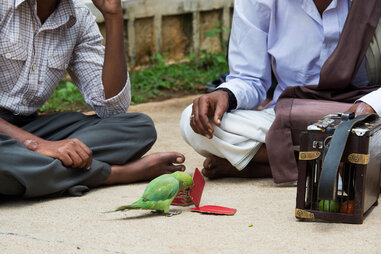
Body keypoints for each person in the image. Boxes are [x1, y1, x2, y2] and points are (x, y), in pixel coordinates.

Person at [0, 0, 185, 198]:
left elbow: (111, 109)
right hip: (13, 139)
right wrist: (36, 145)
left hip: (29, 128)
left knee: (138, 127)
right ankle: (112, 174)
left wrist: (113, 16)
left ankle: (33, 172)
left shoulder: (78, 17)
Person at [180, 0, 381, 181]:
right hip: (290, 116)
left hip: (364, 117)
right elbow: (249, 78)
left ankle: (269, 166)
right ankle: (329, 165)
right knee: (194, 121)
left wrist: (372, 105)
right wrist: (225, 95)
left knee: (371, 139)